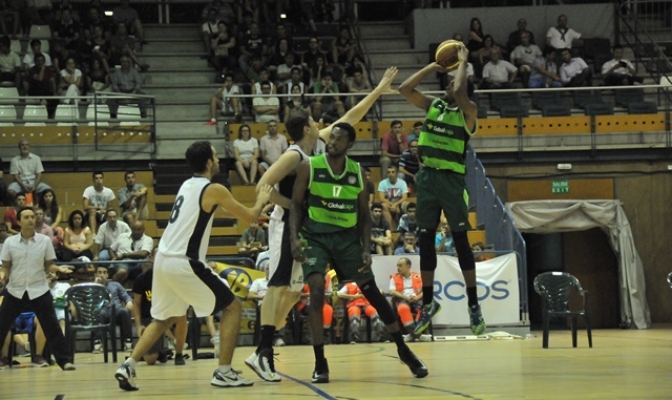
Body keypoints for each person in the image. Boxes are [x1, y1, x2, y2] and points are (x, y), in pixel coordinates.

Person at [247, 67, 399, 383]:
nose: (322, 125)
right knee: (277, 287)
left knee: (291, 293)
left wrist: (379, 89)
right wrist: (292, 205)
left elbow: (353, 116)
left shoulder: (321, 142)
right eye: (315, 123)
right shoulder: (293, 155)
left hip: (306, 228)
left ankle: (261, 349)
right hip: (284, 225)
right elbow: (263, 185)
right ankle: (262, 351)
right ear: (307, 128)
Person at [114, 141, 272, 391]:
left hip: (163, 260)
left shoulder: (188, 185)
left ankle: (129, 365)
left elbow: (214, 211)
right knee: (233, 306)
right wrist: (262, 200)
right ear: (209, 162)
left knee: (163, 319)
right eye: (216, 156)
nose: (219, 159)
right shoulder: (214, 188)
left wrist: (247, 212)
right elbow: (251, 216)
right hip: (183, 261)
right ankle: (224, 372)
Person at [288, 121, 428, 383]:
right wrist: (293, 237)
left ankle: (404, 349)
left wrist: (365, 248)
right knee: (317, 291)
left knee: (373, 293)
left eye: (339, 139)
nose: (332, 142)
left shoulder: (359, 175)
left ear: (349, 144)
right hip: (315, 237)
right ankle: (320, 363)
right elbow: (296, 205)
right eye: (332, 138)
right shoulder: (310, 166)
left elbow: (365, 216)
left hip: (347, 239)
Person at [399, 43, 486, 336]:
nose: (448, 85)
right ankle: (427, 303)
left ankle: (473, 305)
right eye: (447, 82)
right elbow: (405, 90)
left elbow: (461, 91)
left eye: (451, 81)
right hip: (427, 180)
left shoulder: (469, 111)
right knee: (425, 241)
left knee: (461, 241)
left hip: (451, 181)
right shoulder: (434, 106)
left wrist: (463, 61)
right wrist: (432, 67)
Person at [0, 207, 76, 370]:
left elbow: (49, 265)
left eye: (32, 217)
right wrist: (2, 274)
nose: (30, 220)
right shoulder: (9, 242)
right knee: (1, 324)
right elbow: (5, 266)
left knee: (52, 325)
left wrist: (59, 269)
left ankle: (64, 360)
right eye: (26, 217)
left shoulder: (45, 241)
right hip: (15, 290)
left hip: (39, 289)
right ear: (19, 222)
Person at [132, 256, 188, 366]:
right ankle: (162, 350)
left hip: (171, 314)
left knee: (182, 314)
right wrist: (138, 325)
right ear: (152, 258)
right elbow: (136, 304)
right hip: (150, 317)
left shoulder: (174, 276)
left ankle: (179, 354)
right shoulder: (142, 279)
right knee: (150, 359)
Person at [389, 257, 429, 341]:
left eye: (400, 265)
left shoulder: (418, 276)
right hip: (403, 300)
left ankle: (411, 335)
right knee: (402, 308)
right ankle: (418, 336)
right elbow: (392, 291)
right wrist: (406, 297)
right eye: (397, 266)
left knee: (425, 309)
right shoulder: (394, 277)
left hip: (417, 300)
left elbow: (426, 290)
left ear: (408, 266)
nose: (398, 268)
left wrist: (417, 297)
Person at [8, 139, 51, 205]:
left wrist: (35, 186)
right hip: (20, 183)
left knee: (48, 190)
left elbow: (39, 174)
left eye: (27, 145)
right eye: (22, 145)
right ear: (19, 147)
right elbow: (16, 176)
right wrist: (23, 186)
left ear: (29, 147)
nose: (25, 147)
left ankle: (39, 205)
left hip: (34, 182)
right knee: (10, 190)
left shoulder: (36, 158)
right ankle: (20, 204)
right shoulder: (14, 160)